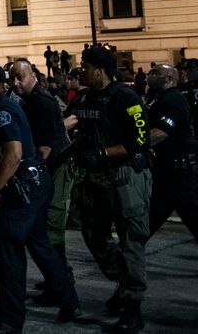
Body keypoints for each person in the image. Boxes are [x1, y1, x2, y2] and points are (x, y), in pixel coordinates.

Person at [0, 62, 78, 334]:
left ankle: (10, 321)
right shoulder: (2, 106)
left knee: (10, 255)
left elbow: (13, 154)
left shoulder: (2, 112)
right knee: (40, 245)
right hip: (35, 185)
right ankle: (68, 299)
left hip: (21, 190)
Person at [71, 46, 152, 334]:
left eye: (85, 65)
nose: (81, 70)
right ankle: (125, 280)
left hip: (125, 175)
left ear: (100, 70)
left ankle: (133, 308)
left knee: (132, 239)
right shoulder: (87, 97)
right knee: (92, 233)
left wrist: (103, 153)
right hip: (96, 177)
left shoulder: (126, 97)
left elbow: (139, 141)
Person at [9, 59, 75, 289]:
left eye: (20, 77)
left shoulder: (42, 102)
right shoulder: (29, 101)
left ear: (33, 77)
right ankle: (56, 280)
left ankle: (61, 280)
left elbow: (44, 149)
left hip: (55, 169)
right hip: (49, 169)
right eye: (12, 78)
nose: (15, 83)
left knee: (52, 228)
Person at [144, 64, 198, 238]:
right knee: (149, 220)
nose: (150, 75)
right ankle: (125, 259)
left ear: (169, 79)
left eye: (156, 73)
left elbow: (160, 133)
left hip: (181, 172)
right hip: (168, 169)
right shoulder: (160, 98)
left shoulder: (173, 100)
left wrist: (131, 146)